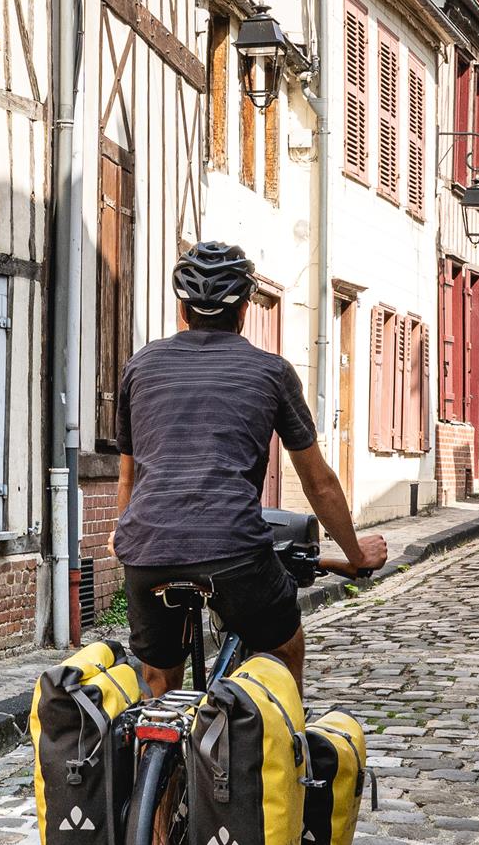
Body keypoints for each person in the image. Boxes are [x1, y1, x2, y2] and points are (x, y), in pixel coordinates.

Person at [112, 239, 387, 700]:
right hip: (234, 551)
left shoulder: (139, 367)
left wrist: (126, 534)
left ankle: (157, 767)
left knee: (159, 680)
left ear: (183, 310)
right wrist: (355, 554)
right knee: (284, 647)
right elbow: (318, 483)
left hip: (145, 550)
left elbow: (129, 477)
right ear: (243, 311)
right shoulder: (271, 372)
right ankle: (292, 755)